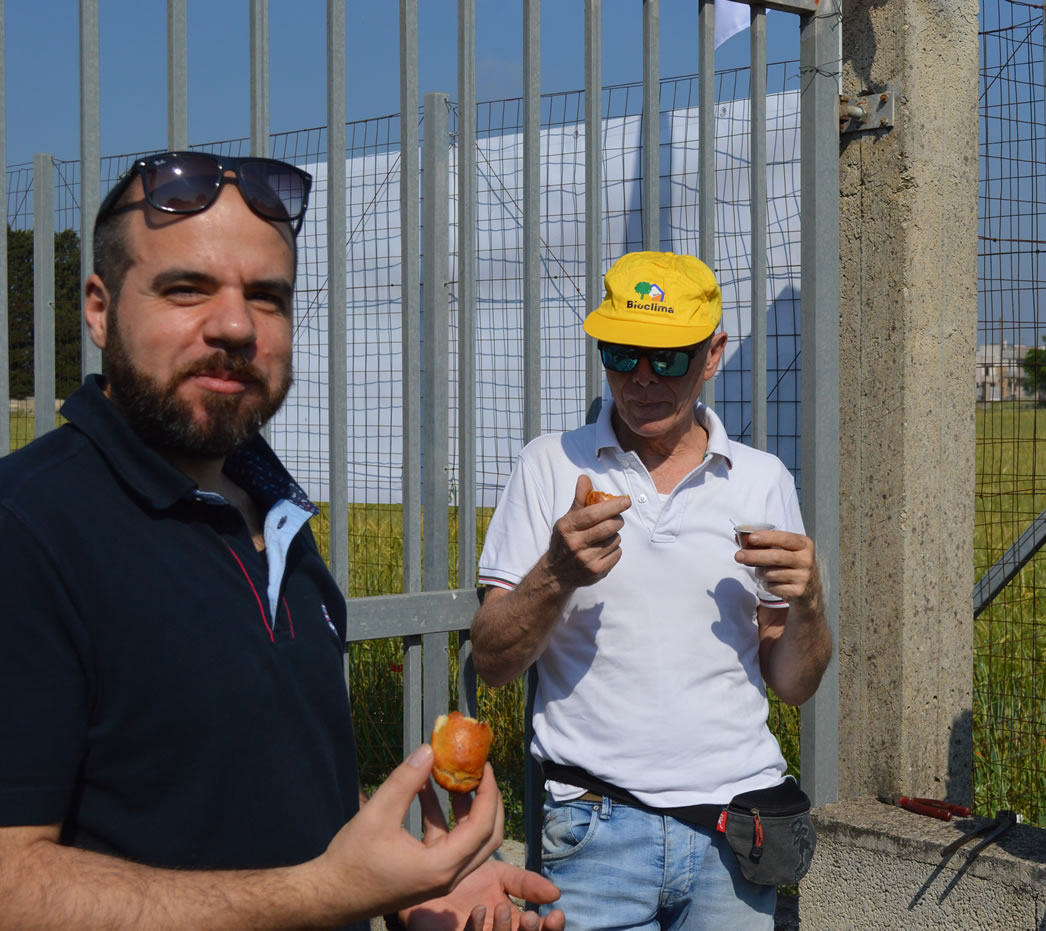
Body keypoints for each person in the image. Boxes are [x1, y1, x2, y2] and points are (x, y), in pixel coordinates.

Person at [0, 151, 564, 931]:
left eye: (267, 297)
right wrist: (327, 891)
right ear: (99, 309)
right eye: (187, 288)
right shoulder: (27, 528)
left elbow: (267, 785)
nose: (236, 326)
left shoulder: (277, 521)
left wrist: (406, 890)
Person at [472, 251, 832, 929]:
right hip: (592, 826)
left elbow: (794, 682)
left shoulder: (762, 479)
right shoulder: (549, 465)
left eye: (667, 358)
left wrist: (809, 603)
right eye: (621, 352)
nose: (641, 377)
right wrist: (557, 572)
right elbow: (491, 660)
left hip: (733, 833)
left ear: (713, 354)